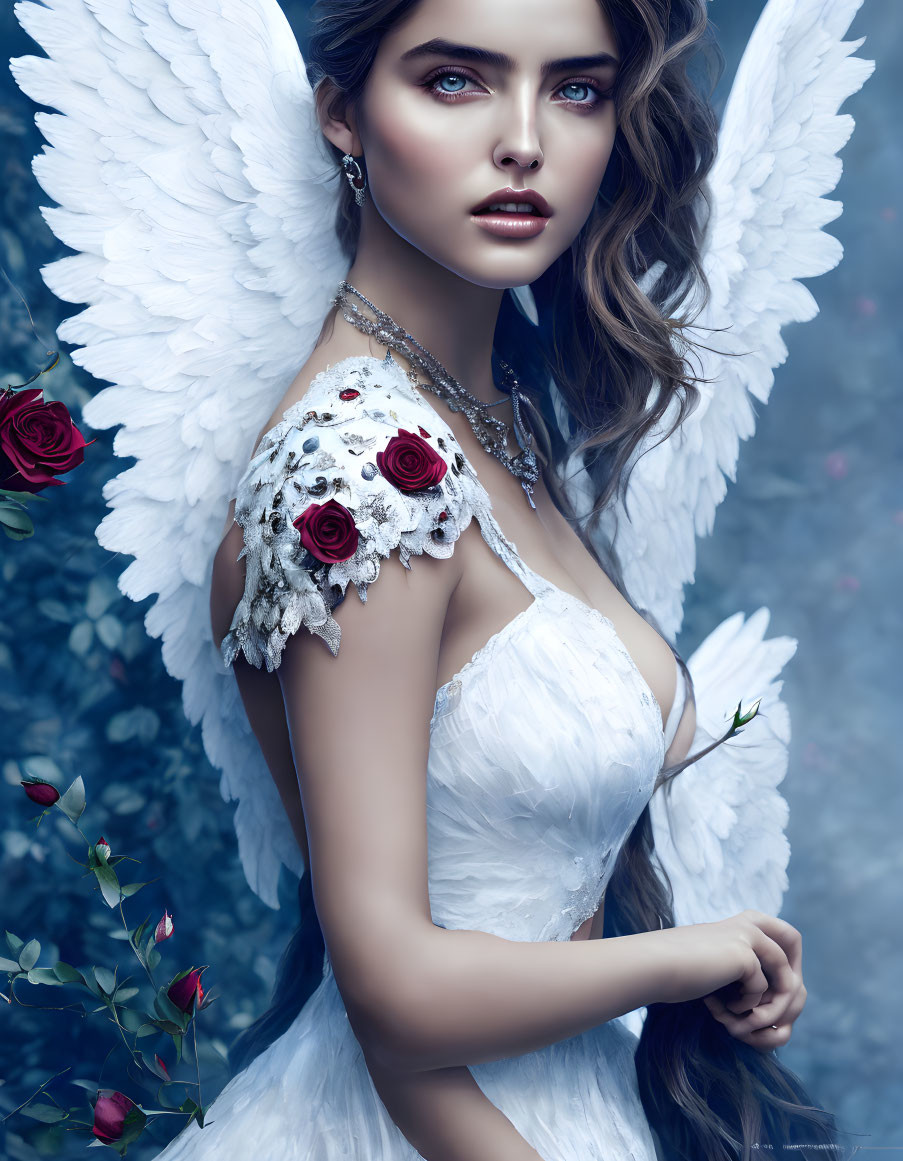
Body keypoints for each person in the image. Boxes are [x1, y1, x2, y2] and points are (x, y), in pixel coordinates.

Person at [10, 0, 872, 1156]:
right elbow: (395, 998)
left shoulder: (501, 418)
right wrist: (685, 958)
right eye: (455, 81)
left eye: (576, 88)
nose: (523, 139)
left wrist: (712, 964)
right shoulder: (363, 466)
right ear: (342, 117)